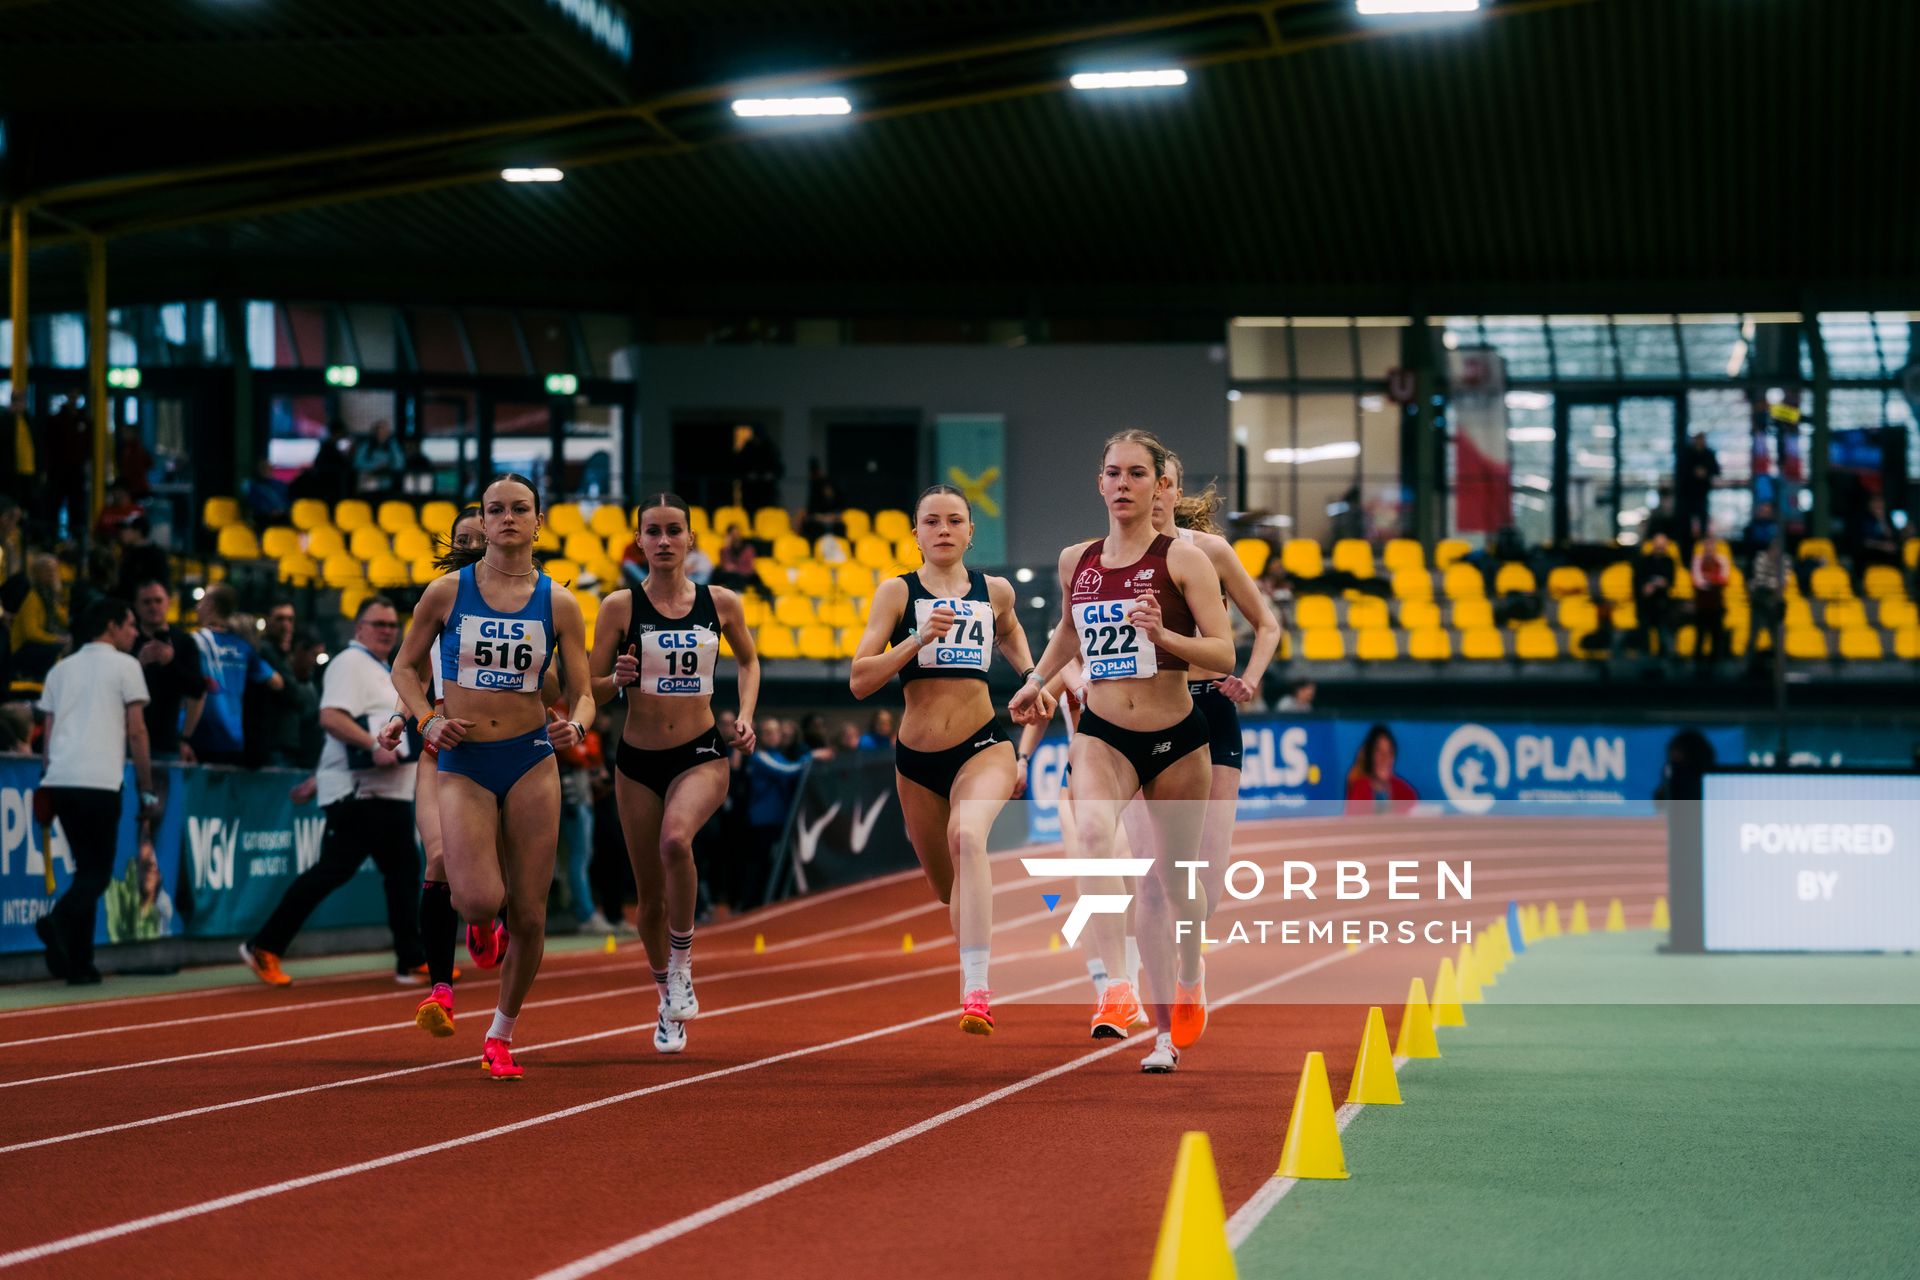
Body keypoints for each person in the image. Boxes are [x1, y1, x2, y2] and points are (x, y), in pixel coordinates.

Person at [1008, 430, 1235, 1073]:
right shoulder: (1074, 559)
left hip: (1177, 737)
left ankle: (1188, 976)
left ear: (1158, 483)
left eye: (1138, 473)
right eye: (1114, 473)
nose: (1124, 484)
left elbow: (1223, 654)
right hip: (1103, 733)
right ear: (1100, 483)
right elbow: (1066, 635)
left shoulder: (1184, 560)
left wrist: (1165, 634)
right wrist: (1035, 682)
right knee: (1089, 830)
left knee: (1173, 889)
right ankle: (1125, 995)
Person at [389, 475, 593, 1080]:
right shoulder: (446, 593)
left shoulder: (558, 602)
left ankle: (501, 1033)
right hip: (464, 760)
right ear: (484, 519)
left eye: (519, 509)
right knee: (477, 899)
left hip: (531, 755)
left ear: (538, 521)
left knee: (530, 914)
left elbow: (581, 693)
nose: (506, 518)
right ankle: (481, 925)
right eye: (495, 509)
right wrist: (427, 721)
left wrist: (576, 728)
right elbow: (403, 668)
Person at [850, 485, 1041, 1033]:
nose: (943, 530)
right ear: (916, 533)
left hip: (984, 745)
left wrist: (1030, 676)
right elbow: (860, 680)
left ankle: (976, 989)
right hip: (917, 759)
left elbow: (1010, 634)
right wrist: (914, 641)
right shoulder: (897, 593)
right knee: (945, 888)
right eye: (931, 521)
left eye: (954, 520)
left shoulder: (995, 590)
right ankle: (975, 967)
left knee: (967, 837)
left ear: (970, 530)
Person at [593, 493, 760, 1053]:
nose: (663, 541)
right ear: (638, 542)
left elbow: (749, 660)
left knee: (675, 840)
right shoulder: (618, 606)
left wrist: (748, 715)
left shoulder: (722, 602)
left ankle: (683, 962)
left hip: (701, 751)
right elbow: (587, 688)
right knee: (649, 901)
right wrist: (615, 679)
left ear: (691, 540)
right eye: (653, 532)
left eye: (674, 531)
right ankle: (666, 997)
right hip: (637, 761)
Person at [240, 596, 428, 988]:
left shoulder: (383, 668)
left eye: (392, 625)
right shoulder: (349, 663)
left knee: (404, 872)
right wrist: (371, 745)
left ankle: (411, 959)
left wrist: (319, 774)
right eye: (378, 624)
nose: (387, 631)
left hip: (387, 792)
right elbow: (331, 717)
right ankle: (263, 945)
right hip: (359, 793)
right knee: (335, 871)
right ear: (358, 627)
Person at [378, 505, 486, 1033]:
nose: (467, 547)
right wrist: (403, 719)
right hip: (439, 740)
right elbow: (413, 672)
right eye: (460, 540)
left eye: (477, 538)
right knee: (438, 855)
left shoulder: (532, 600)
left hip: (505, 747)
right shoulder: (440, 601)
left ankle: (489, 917)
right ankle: (440, 990)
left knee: (493, 873)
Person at [32, 597, 160, 984]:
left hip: (62, 778)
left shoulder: (61, 670)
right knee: (98, 874)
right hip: (100, 780)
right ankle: (57, 920)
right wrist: (147, 788)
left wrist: (47, 779)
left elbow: (49, 733)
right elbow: (137, 730)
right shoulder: (127, 667)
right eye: (130, 624)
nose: (135, 632)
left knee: (85, 870)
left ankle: (80, 964)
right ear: (110, 625)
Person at [188, 583, 284, 766]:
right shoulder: (244, 648)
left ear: (211, 605)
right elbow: (277, 682)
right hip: (233, 739)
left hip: (199, 736)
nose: (197, 607)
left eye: (201, 602)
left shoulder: (194, 642)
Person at [131, 580, 206, 761]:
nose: (153, 607)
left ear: (168, 602)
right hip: (129, 737)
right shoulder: (128, 638)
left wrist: (170, 662)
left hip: (166, 739)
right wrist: (138, 664)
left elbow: (197, 688)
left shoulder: (184, 641)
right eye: (147, 602)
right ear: (137, 606)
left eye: (158, 601)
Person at [10, 552, 70, 688]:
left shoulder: (49, 597)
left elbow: (64, 621)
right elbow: (31, 633)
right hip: (22, 650)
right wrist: (56, 639)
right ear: (37, 574)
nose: (52, 574)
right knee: (57, 647)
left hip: (37, 645)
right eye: (47, 570)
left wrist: (58, 597)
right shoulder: (33, 598)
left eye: (54, 570)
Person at [1345, 724, 1417, 814]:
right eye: (1379, 752)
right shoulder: (1359, 789)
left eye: (1389, 752)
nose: (1385, 758)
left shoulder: (1406, 793)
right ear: (1370, 755)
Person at [1690, 543, 1730, 673]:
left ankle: (1716, 664)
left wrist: (1709, 579)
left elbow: (1724, 579)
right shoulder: (1698, 560)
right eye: (1707, 549)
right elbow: (1697, 581)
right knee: (1700, 635)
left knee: (1716, 635)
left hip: (1716, 604)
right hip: (1701, 604)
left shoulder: (1721, 560)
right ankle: (1697, 664)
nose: (1709, 551)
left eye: (1711, 549)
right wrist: (1713, 580)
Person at [352, 421, 407, 497]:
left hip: (387, 487)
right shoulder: (366, 445)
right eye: (380, 430)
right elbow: (357, 463)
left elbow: (400, 464)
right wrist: (374, 466)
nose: (383, 433)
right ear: (375, 431)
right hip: (367, 486)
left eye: (386, 430)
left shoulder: (393, 445)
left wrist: (388, 465)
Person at [115, 424, 154, 502]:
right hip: (133, 487)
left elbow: (146, 464)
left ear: (133, 434)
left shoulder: (136, 450)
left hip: (135, 488)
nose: (124, 435)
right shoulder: (127, 449)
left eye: (126, 432)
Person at [712, 529, 756, 593]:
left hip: (743, 577)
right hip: (730, 576)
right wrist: (726, 547)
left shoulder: (748, 549)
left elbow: (750, 569)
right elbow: (724, 565)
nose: (736, 537)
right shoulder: (727, 549)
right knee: (716, 573)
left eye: (737, 534)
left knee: (737, 578)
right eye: (733, 535)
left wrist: (736, 568)